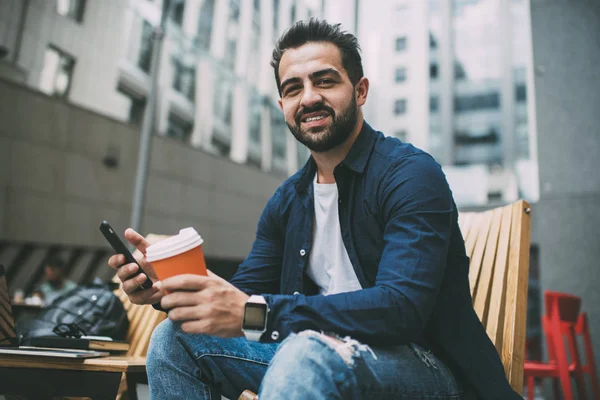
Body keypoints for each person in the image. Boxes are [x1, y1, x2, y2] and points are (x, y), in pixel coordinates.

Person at [109, 19, 522, 400]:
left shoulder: (409, 174)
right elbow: (243, 298)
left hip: (424, 367)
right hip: (310, 360)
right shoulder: (288, 201)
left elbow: (402, 309)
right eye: (293, 88)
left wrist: (259, 314)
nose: (309, 98)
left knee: (306, 350)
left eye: (324, 81)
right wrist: (166, 290)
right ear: (282, 105)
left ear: (360, 91)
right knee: (174, 338)